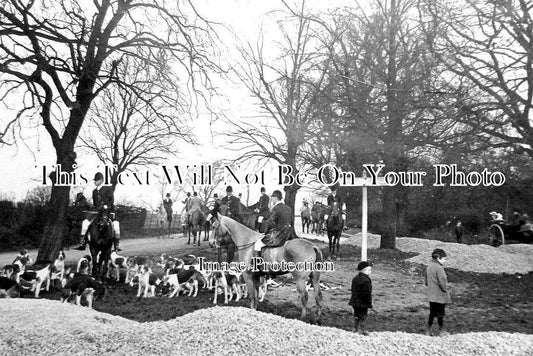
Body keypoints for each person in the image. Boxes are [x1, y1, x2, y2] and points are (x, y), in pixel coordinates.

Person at [75, 172, 121, 251]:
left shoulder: (108, 188)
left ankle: (116, 245)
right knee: (85, 223)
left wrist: (107, 206)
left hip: (108, 211)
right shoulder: (94, 191)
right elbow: (95, 203)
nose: (95, 182)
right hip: (97, 212)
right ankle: (82, 243)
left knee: (116, 226)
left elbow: (111, 200)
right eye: (95, 180)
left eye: (96, 180)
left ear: (101, 180)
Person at [253, 190, 293, 258]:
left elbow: (270, 223)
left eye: (272, 198)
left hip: (278, 235)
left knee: (257, 244)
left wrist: (262, 223)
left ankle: (257, 266)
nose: (271, 200)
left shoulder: (276, 208)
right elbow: (291, 222)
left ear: (275, 198)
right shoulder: (288, 208)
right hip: (288, 235)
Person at [425, 248, 451, 336]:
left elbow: (426, 282)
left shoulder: (429, 267)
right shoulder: (439, 268)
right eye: (444, 259)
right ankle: (441, 331)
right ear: (438, 258)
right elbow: (443, 282)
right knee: (441, 314)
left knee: (432, 313)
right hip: (440, 295)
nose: (445, 261)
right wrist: (445, 288)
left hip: (431, 294)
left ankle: (428, 330)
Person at [349, 261, 374, 336]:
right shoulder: (366, 281)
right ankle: (361, 330)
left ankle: (354, 329)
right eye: (369, 270)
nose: (370, 272)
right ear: (365, 270)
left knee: (356, 315)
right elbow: (367, 293)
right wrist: (369, 303)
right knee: (363, 316)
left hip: (354, 301)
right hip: (363, 303)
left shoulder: (355, 278)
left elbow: (353, 289)